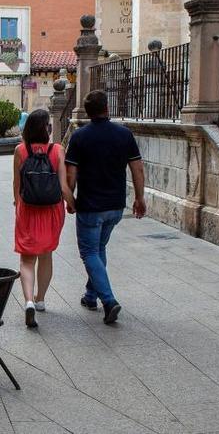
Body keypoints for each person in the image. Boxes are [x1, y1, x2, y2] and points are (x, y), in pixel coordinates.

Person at [65, 90, 146, 324]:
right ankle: (90, 296)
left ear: (87, 112)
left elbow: (71, 174)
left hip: (90, 205)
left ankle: (109, 301)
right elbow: (137, 168)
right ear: (107, 108)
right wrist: (139, 197)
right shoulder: (124, 134)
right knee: (99, 249)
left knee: (90, 252)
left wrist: (70, 198)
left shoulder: (79, 137)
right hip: (115, 206)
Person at [13, 109, 71, 328]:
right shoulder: (57, 150)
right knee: (46, 256)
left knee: (27, 259)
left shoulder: (20, 150)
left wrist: (17, 205)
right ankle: (40, 300)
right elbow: (63, 187)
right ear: (46, 128)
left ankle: (28, 301)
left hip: (27, 209)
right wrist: (73, 204)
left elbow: (16, 184)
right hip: (52, 211)